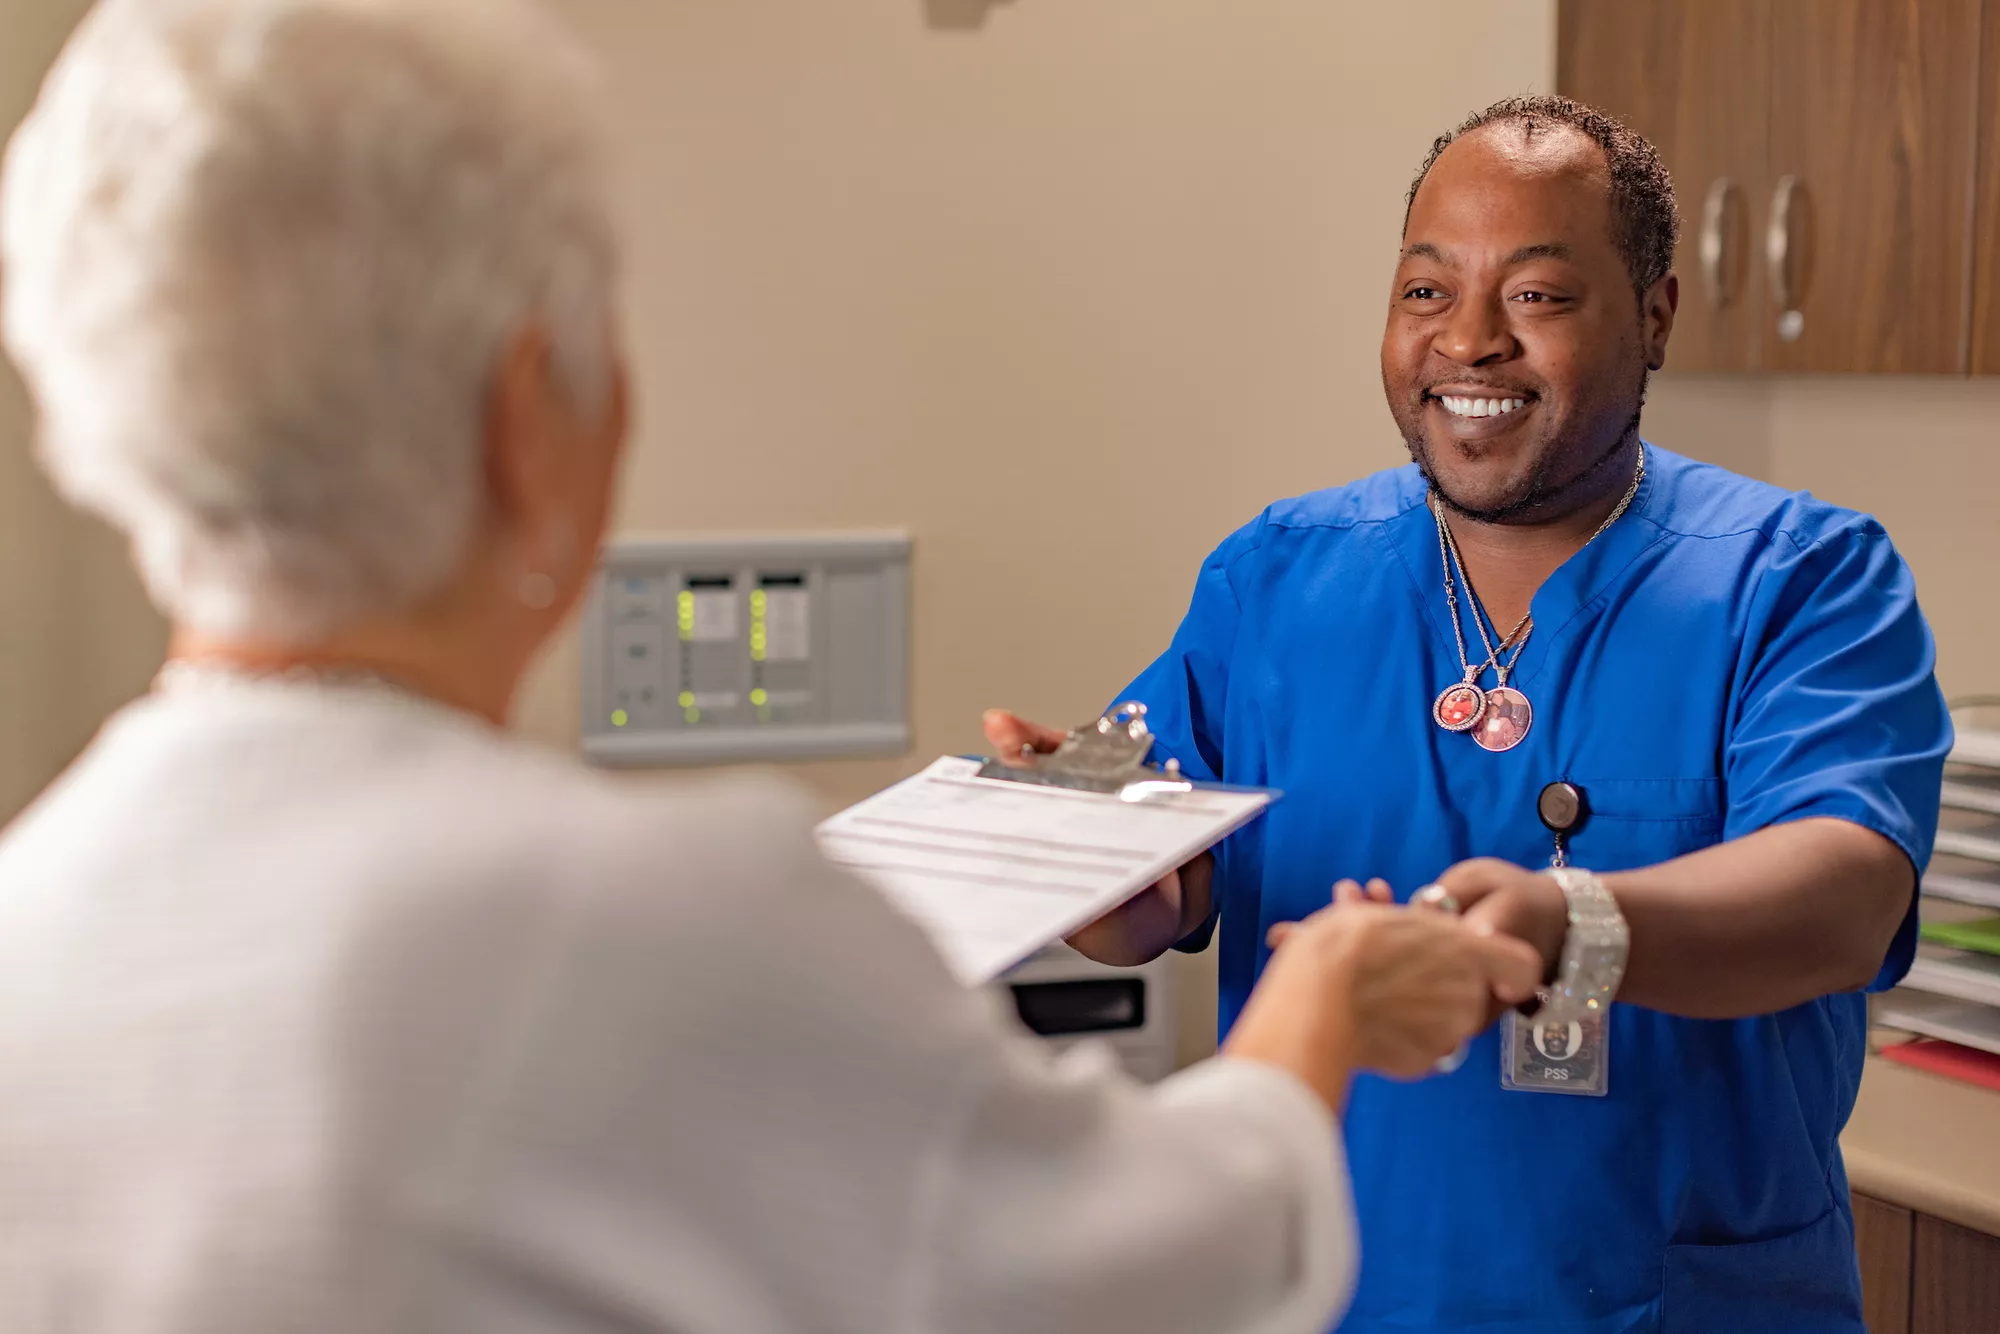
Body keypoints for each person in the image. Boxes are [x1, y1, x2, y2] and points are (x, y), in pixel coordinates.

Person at [0, 2, 1544, 1332]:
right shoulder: (645, 913)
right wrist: (1325, 999)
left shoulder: (36, 918)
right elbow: (1149, 1269)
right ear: (529, 420)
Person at [989, 96, 1952, 1333]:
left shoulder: (1800, 575)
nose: (1469, 343)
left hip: (1683, 1300)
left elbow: (1842, 895)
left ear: (1653, 316)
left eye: (1537, 295)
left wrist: (1570, 923)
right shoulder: (1276, 572)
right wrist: (1063, 844)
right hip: (1337, 1294)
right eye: (1425, 293)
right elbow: (1151, 902)